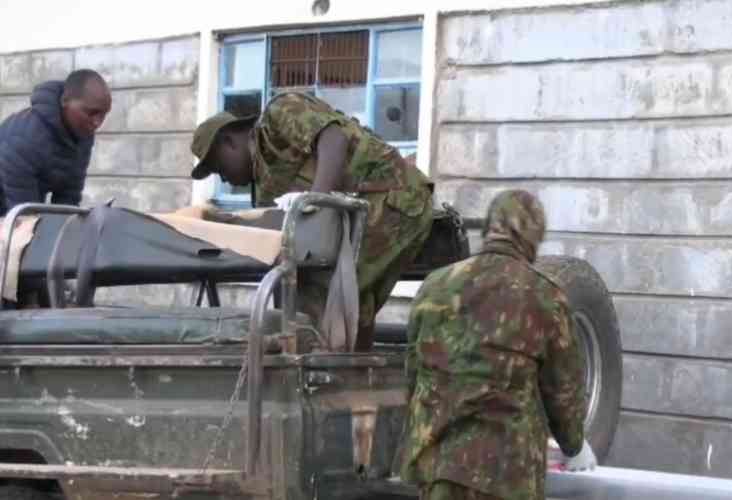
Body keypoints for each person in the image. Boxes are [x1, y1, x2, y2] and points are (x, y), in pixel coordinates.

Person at [189, 92, 433, 351]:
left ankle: (324, 369)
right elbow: (286, 252)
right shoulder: (264, 185)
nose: (223, 179)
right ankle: (348, 369)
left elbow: (334, 138)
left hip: (394, 197)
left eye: (219, 167)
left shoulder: (279, 114)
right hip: (362, 216)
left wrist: (315, 200)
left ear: (228, 141)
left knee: (329, 294)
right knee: (327, 297)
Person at [396, 190, 596, 500]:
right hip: (504, 475)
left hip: (438, 469)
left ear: (488, 228)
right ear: (533, 237)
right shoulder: (544, 296)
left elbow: (413, 375)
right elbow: (564, 393)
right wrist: (575, 445)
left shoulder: (434, 285)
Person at [0, 69, 111, 216]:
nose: (97, 123)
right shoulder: (24, 139)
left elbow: (69, 199)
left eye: (103, 115)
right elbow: (25, 215)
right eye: (91, 113)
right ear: (65, 100)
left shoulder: (83, 136)